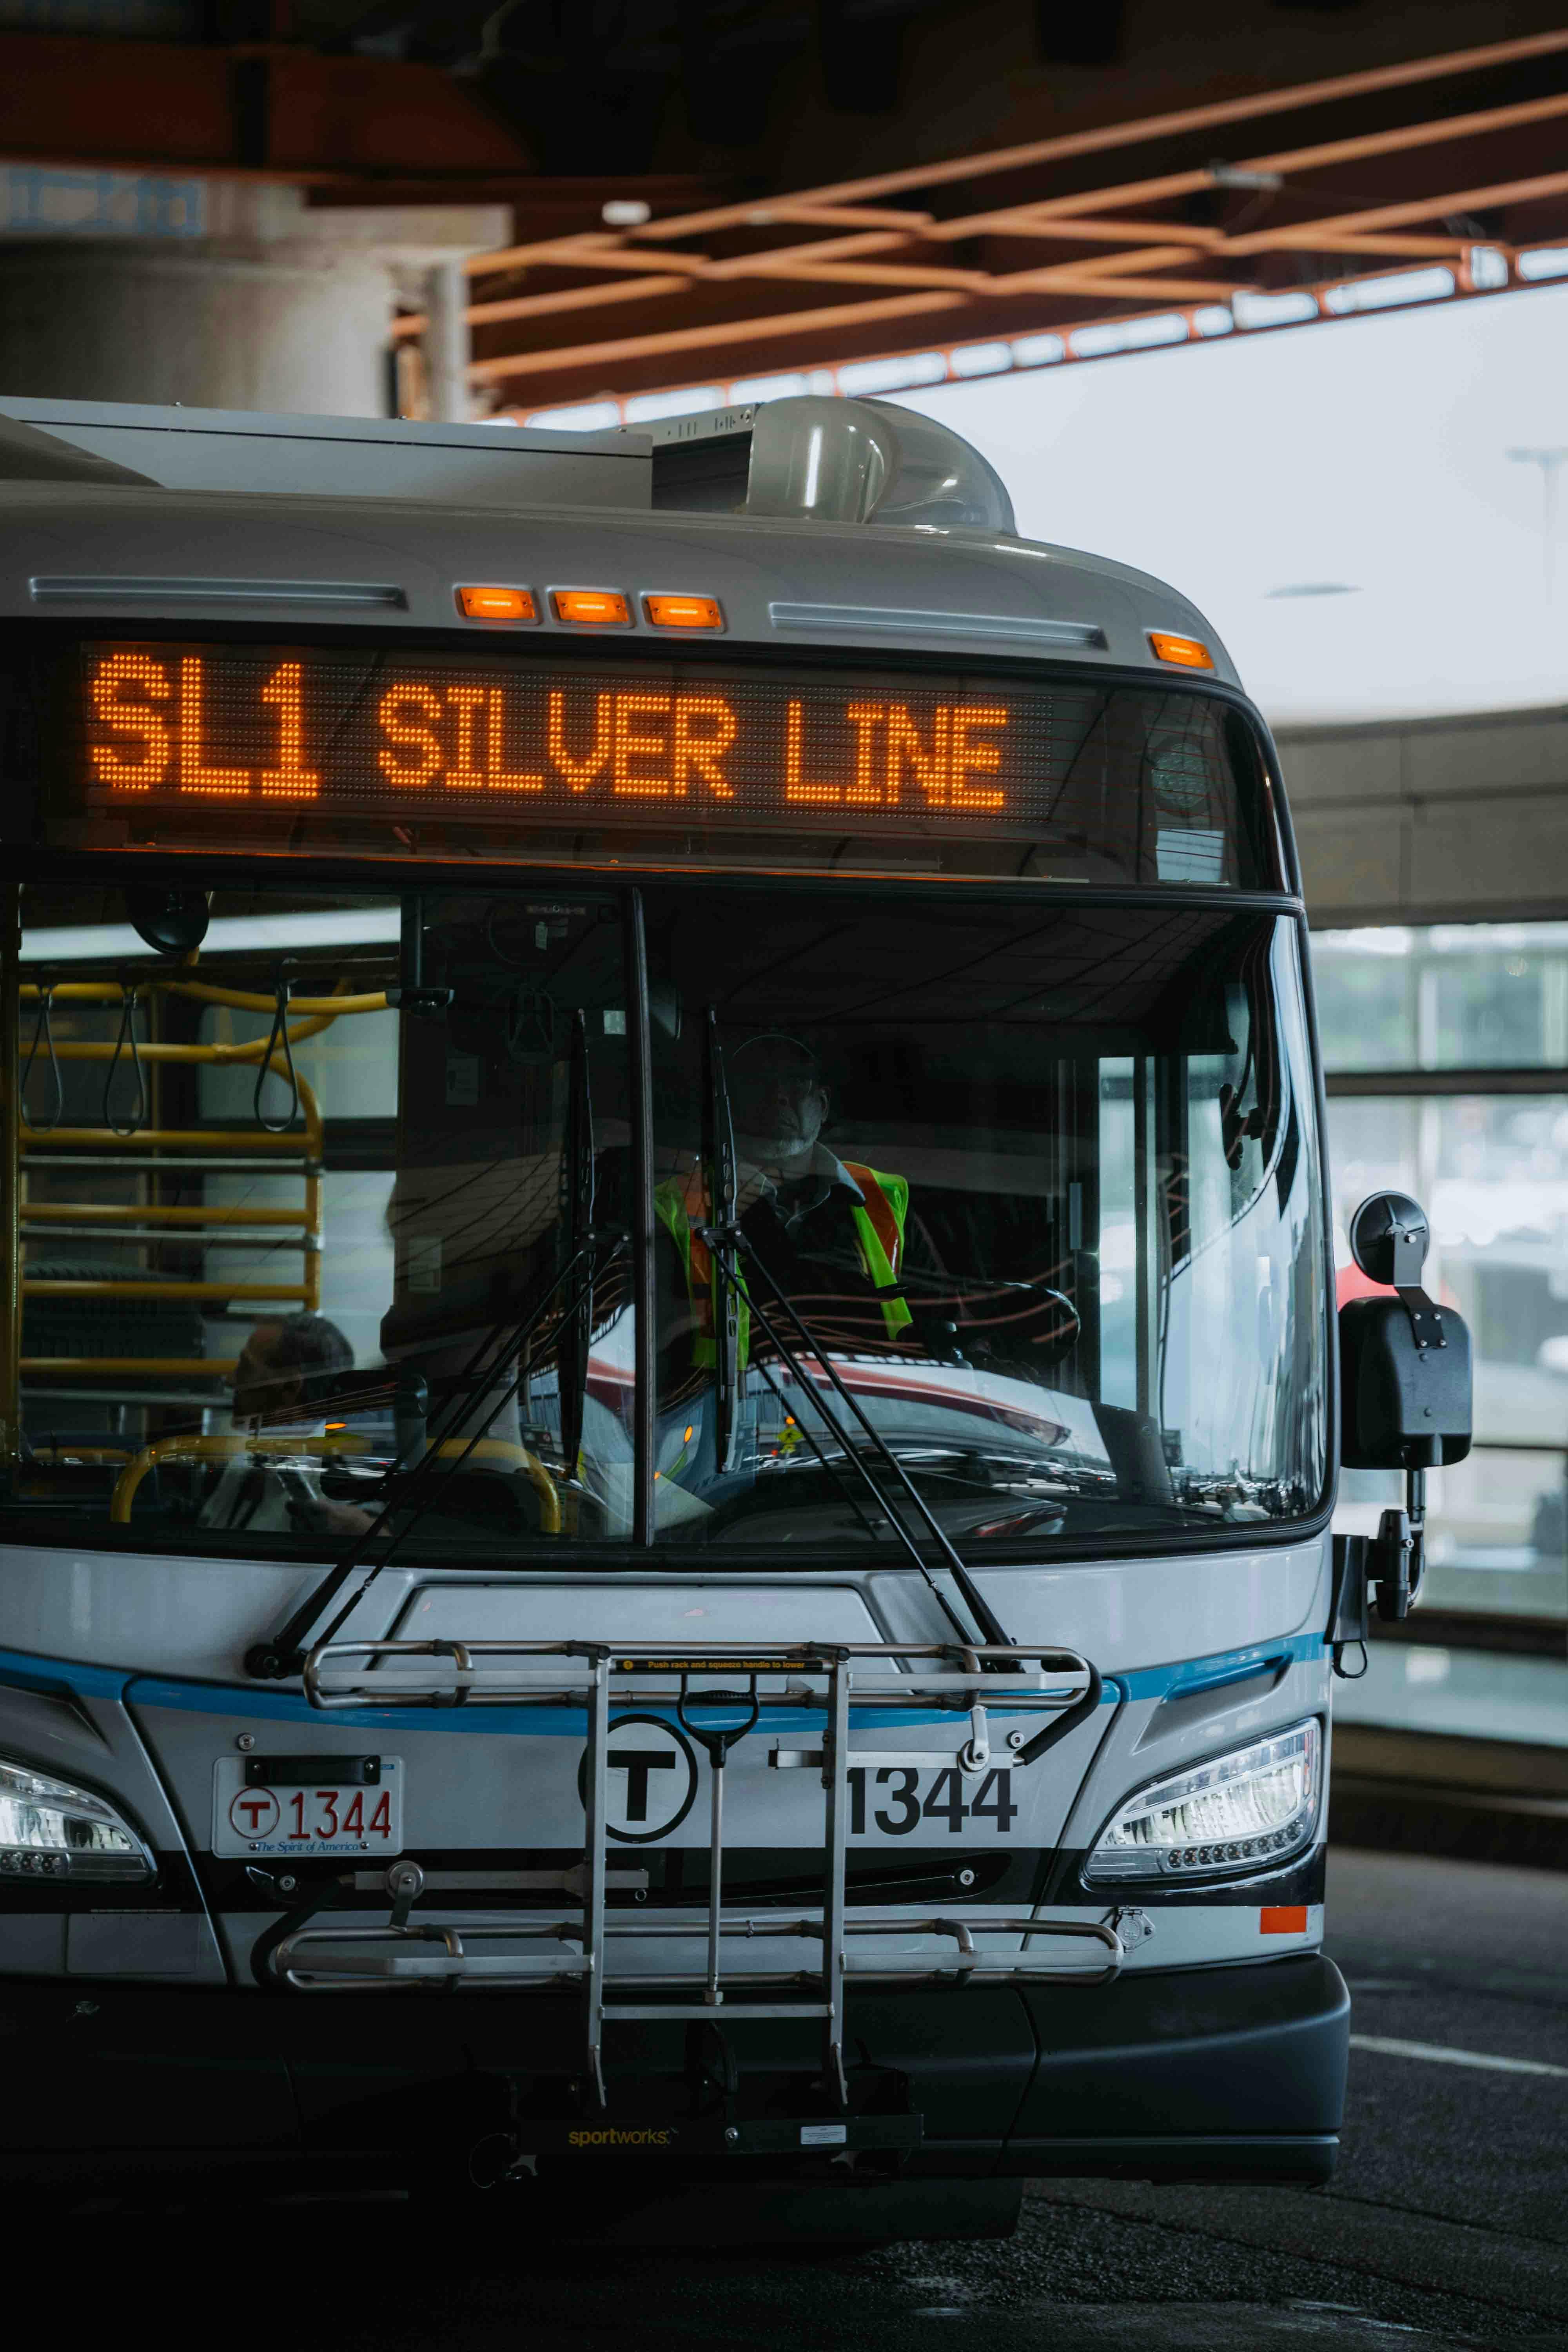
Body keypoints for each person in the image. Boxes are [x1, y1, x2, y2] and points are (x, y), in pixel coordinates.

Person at [198, 1312, 358, 1535]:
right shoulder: (247, 1458)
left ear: (290, 1388)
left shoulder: (335, 1488)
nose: (231, 1380)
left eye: (246, 1368)